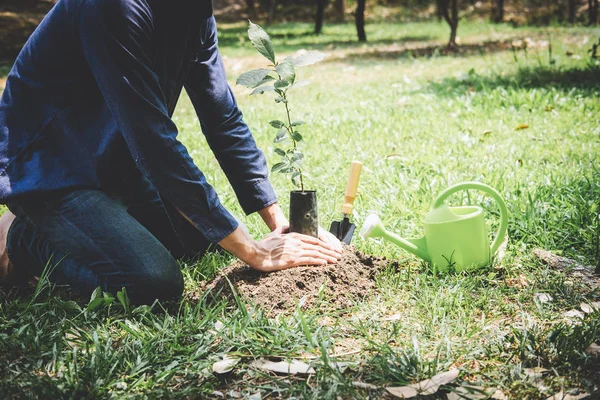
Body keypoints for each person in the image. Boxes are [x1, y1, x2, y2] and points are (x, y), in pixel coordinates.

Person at [0, 0, 342, 304]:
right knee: (152, 285)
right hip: (48, 170)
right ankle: (23, 237)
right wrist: (253, 252)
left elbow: (222, 116)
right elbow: (154, 143)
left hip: (110, 164)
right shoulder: (112, 7)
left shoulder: (194, 11)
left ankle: (89, 219)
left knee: (200, 240)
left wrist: (279, 223)